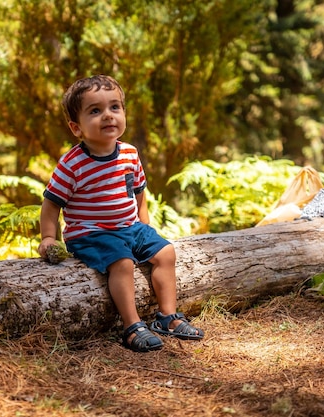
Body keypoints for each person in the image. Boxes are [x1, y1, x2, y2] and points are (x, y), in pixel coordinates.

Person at [37, 75, 204, 352]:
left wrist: (145, 226)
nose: (108, 116)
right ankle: (131, 325)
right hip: (91, 233)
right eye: (95, 111)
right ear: (76, 128)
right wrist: (48, 237)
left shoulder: (129, 153)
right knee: (123, 263)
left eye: (115, 107)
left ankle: (167, 317)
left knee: (166, 253)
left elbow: (138, 192)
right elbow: (51, 204)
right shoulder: (72, 164)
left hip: (129, 227)